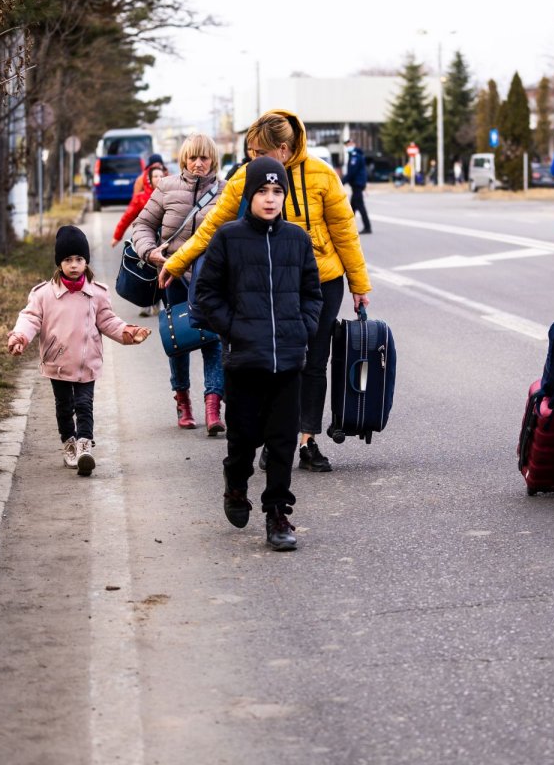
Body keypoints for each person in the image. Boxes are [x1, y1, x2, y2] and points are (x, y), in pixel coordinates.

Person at [158, 109, 372, 474]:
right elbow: (214, 224)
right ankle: (275, 439)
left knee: (315, 362)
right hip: (271, 285)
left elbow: (344, 233)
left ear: (284, 149)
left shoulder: (322, 175)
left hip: (321, 281)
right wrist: (178, 261)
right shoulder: (247, 176)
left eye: (259, 152)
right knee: (275, 364)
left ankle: (307, 441)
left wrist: (359, 285)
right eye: (250, 152)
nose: (252, 159)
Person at [192, 157, 323, 551]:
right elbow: (205, 295)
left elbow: (312, 293)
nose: (270, 199)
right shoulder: (229, 238)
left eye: (278, 191)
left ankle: (277, 513)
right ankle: (235, 484)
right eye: (263, 191)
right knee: (244, 438)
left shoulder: (296, 240)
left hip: (287, 362)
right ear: (249, 194)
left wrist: (301, 329)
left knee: (282, 441)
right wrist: (235, 329)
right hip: (245, 361)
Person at [8, 226, 152, 475]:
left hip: (87, 362)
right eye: (67, 260)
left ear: (86, 262)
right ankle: (69, 443)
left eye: (79, 259)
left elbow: (108, 321)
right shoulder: (44, 295)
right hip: (57, 362)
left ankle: (85, 446)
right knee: (64, 406)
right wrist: (20, 337)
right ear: (59, 263)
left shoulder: (96, 293)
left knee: (84, 404)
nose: (74, 265)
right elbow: (30, 319)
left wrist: (127, 332)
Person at [130, 134, 226, 433]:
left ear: (213, 160)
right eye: (192, 158)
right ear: (184, 159)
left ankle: (213, 407)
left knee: (214, 342)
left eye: (204, 158)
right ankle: (183, 401)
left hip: (212, 281)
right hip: (172, 276)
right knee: (179, 341)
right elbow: (142, 225)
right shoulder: (167, 187)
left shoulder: (226, 192)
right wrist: (150, 251)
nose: (198, 164)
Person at [112, 161, 167, 247]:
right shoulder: (140, 198)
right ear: (150, 179)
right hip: (146, 239)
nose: (159, 178)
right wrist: (117, 236)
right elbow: (127, 217)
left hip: (165, 239)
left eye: (161, 176)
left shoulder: (169, 195)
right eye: (155, 176)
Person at [342, 137, 371, 235]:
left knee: (359, 206)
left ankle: (367, 227)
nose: (347, 146)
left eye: (348, 144)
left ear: (352, 144)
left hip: (357, 184)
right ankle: (348, 228)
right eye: (346, 145)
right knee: (353, 207)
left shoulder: (355, 156)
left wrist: (341, 182)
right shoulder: (354, 155)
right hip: (357, 184)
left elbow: (352, 173)